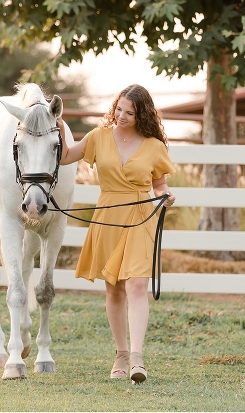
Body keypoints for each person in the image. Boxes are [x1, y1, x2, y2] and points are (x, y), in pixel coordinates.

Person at [57, 84, 176, 384]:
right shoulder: (98, 137)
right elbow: (65, 156)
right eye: (119, 109)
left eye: (130, 112)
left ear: (142, 115)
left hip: (139, 216)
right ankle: (120, 355)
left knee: (137, 284)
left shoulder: (154, 146)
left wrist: (165, 195)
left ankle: (137, 359)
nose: (121, 116)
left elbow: (159, 185)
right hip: (108, 214)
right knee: (113, 288)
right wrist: (58, 123)